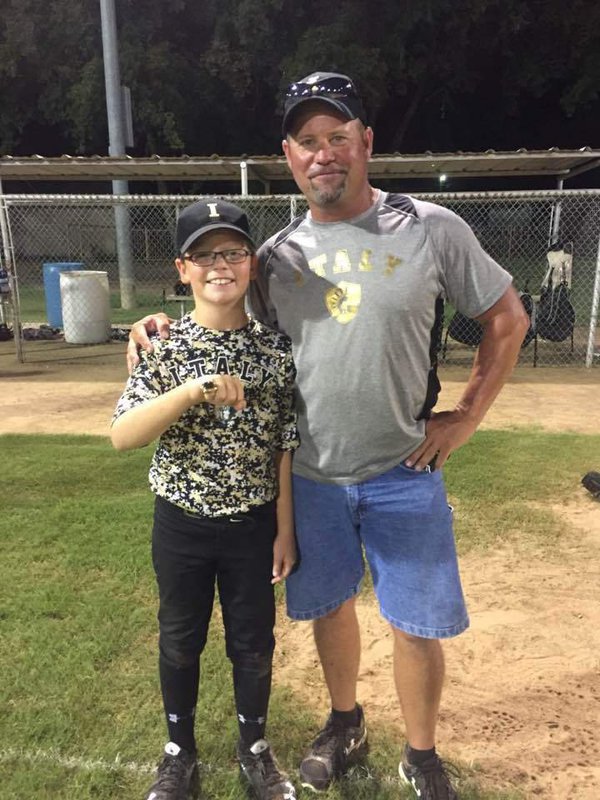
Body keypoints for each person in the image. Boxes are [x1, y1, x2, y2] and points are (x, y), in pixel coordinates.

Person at [127, 73, 530, 800]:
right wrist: (152, 325)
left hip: (403, 468)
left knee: (416, 623)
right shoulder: (276, 255)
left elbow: (507, 318)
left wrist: (467, 415)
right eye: (308, 141)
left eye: (337, 137)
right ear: (289, 155)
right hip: (310, 475)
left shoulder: (431, 227)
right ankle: (344, 722)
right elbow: (215, 301)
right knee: (330, 607)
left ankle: (422, 753)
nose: (324, 154)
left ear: (364, 142)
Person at [112, 199, 299, 800]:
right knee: (179, 636)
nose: (220, 265)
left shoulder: (275, 350)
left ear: (250, 264)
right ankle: (178, 753)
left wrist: (285, 530)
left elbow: (284, 448)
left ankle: (255, 750)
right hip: (182, 524)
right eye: (204, 255)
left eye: (233, 253)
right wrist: (192, 390)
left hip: (252, 523)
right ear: (183, 268)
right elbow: (123, 434)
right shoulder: (162, 348)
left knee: (253, 641)